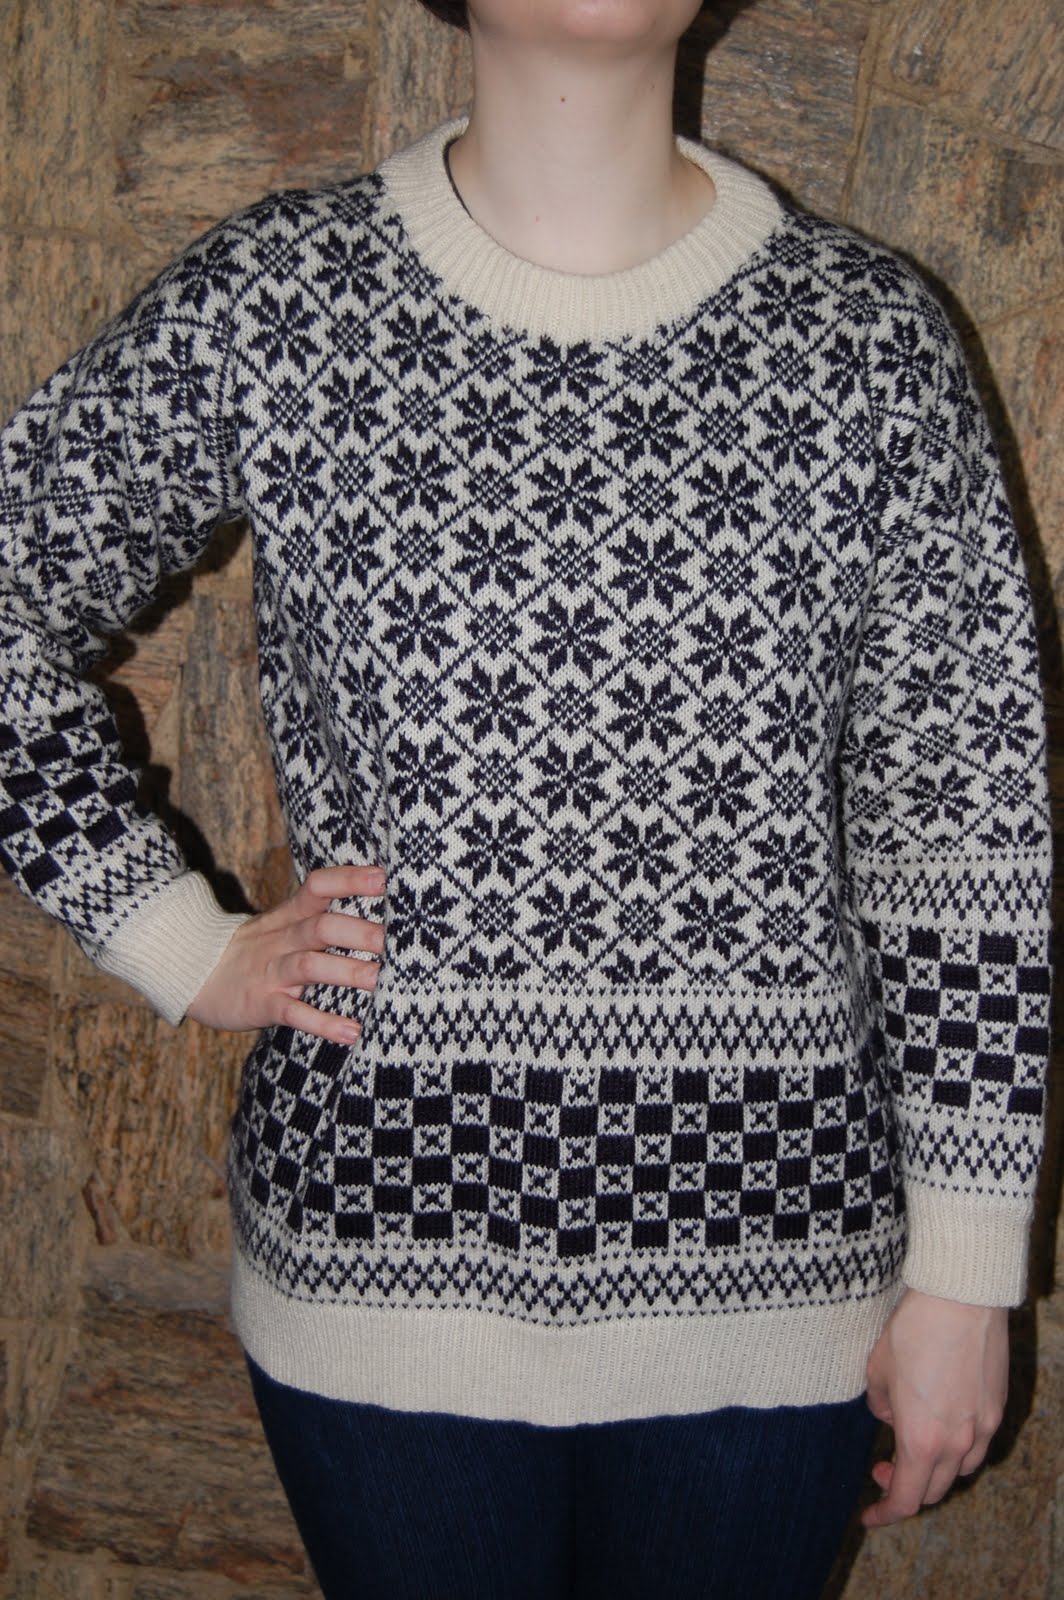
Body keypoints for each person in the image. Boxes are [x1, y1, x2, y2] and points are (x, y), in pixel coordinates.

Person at [0, 1, 1051, 1595]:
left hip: (783, 1291)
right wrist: (175, 939)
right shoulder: (283, 300)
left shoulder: (867, 343)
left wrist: (970, 1272)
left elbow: (960, 824)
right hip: (380, 1272)